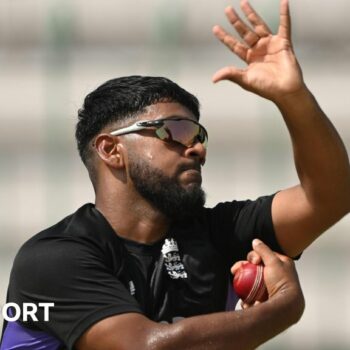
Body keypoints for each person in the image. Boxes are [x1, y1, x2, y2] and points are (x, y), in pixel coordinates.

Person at [1, 0, 349, 349]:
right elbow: (146, 346)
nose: (197, 148)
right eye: (176, 131)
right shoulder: (52, 258)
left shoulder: (216, 233)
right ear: (110, 149)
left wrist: (293, 98)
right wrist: (282, 308)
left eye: (199, 136)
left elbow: (331, 196)